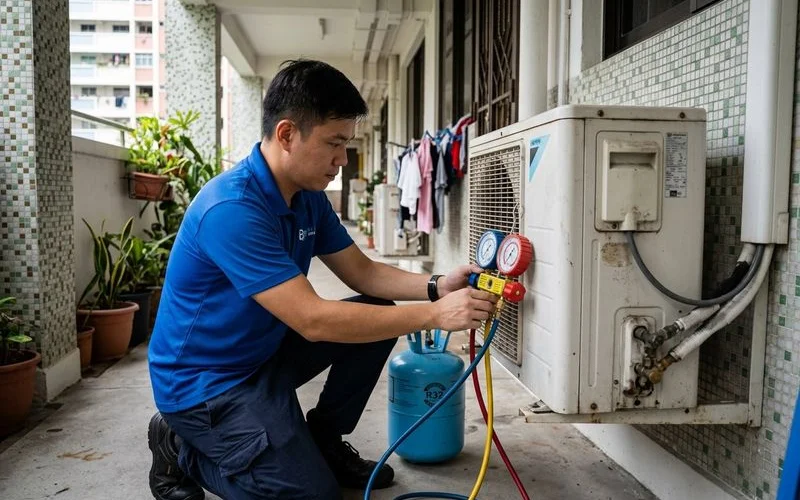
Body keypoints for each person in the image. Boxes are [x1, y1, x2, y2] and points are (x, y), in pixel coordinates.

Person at [146, 59, 497, 500]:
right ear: (287, 134)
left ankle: (324, 440)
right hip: (206, 384)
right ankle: (181, 447)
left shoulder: (307, 197)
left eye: (346, 144)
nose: (342, 160)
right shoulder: (231, 210)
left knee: (375, 314)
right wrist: (433, 315)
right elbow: (313, 320)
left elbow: (363, 273)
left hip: (263, 354)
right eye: (334, 143)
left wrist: (437, 286)